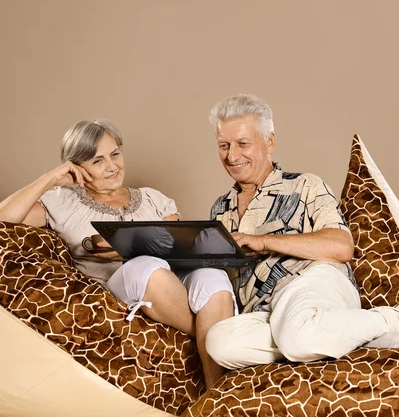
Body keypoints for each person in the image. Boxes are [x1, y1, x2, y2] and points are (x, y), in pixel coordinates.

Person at [0, 119, 235, 388]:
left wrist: (133, 245)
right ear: (77, 167)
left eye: (115, 154)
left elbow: (179, 250)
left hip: (170, 284)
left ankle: (217, 392)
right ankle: (222, 335)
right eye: (97, 161)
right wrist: (50, 179)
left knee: (212, 277)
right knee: (145, 267)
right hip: (117, 291)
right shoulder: (62, 201)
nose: (112, 166)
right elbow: (3, 219)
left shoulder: (152, 199)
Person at [205, 94, 399, 370]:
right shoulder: (219, 210)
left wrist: (261, 242)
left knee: (296, 334)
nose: (232, 155)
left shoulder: (305, 185)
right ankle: (330, 337)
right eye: (224, 145)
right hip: (266, 312)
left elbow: (341, 246)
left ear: (269, 142)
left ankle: (392, 320)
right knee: (219, 343)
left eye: (242, 144)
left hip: (312, 284)